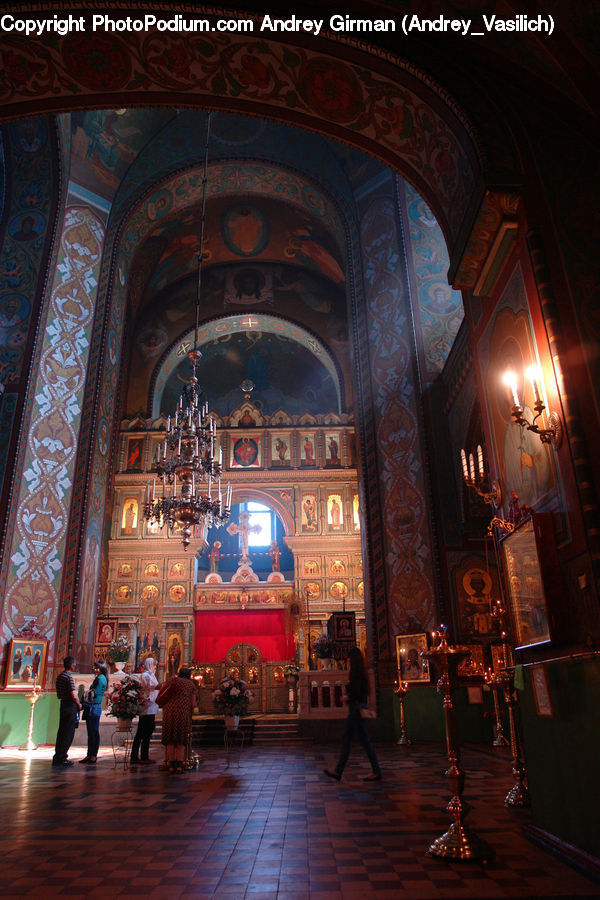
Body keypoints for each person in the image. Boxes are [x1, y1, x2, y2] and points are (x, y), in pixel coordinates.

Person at [324, 647, 382, 782]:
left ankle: (375, 771)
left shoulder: (356, 673)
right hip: (355, 710)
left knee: (359, 742)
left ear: (353, 659)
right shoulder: (360, 672)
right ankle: (339, 770)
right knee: (349, 741)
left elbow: (356, 692)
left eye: (349, 657)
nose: (347, 660)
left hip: (356, 710)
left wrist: (346, 697)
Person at [160, 667, 197, 773]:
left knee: (170, 737)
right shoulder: (190, 685)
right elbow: (193, 703)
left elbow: (161, 689)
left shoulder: (172, 681)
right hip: (182, 712)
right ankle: (180, 763)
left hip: (169, 711)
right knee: (181, 737)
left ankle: (171, 764)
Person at [52, 656, 82, 768]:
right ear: (71, 665)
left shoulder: (60, 676)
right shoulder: (68, 677)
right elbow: (74, 695)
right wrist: (79, 704)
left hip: (63, 704)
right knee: (68, 732)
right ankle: (62, 757)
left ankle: (58, 756)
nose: (75, 666)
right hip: (70, 706)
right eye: (74, 664)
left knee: (62, 731)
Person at [130, 657, 159, 765]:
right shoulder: (145, 675)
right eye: (154, 665)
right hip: (147, 707)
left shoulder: (151, 675)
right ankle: (141, 756)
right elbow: (150, 687)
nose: (155, 667)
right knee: (144, 733)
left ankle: (141, 755)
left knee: (146, 732)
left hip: (151, 706)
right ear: (149, 665)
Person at [79, 661, 108, 764]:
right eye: (95, 668)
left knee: (93, 732)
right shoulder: (100, 678)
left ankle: (93, 755)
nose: (95, 670)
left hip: (94, 706)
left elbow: (95, 693)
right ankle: (89, 754)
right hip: (92, 706)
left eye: (98, 668)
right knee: (91, 732)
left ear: (102, 668)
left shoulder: (101, 678)